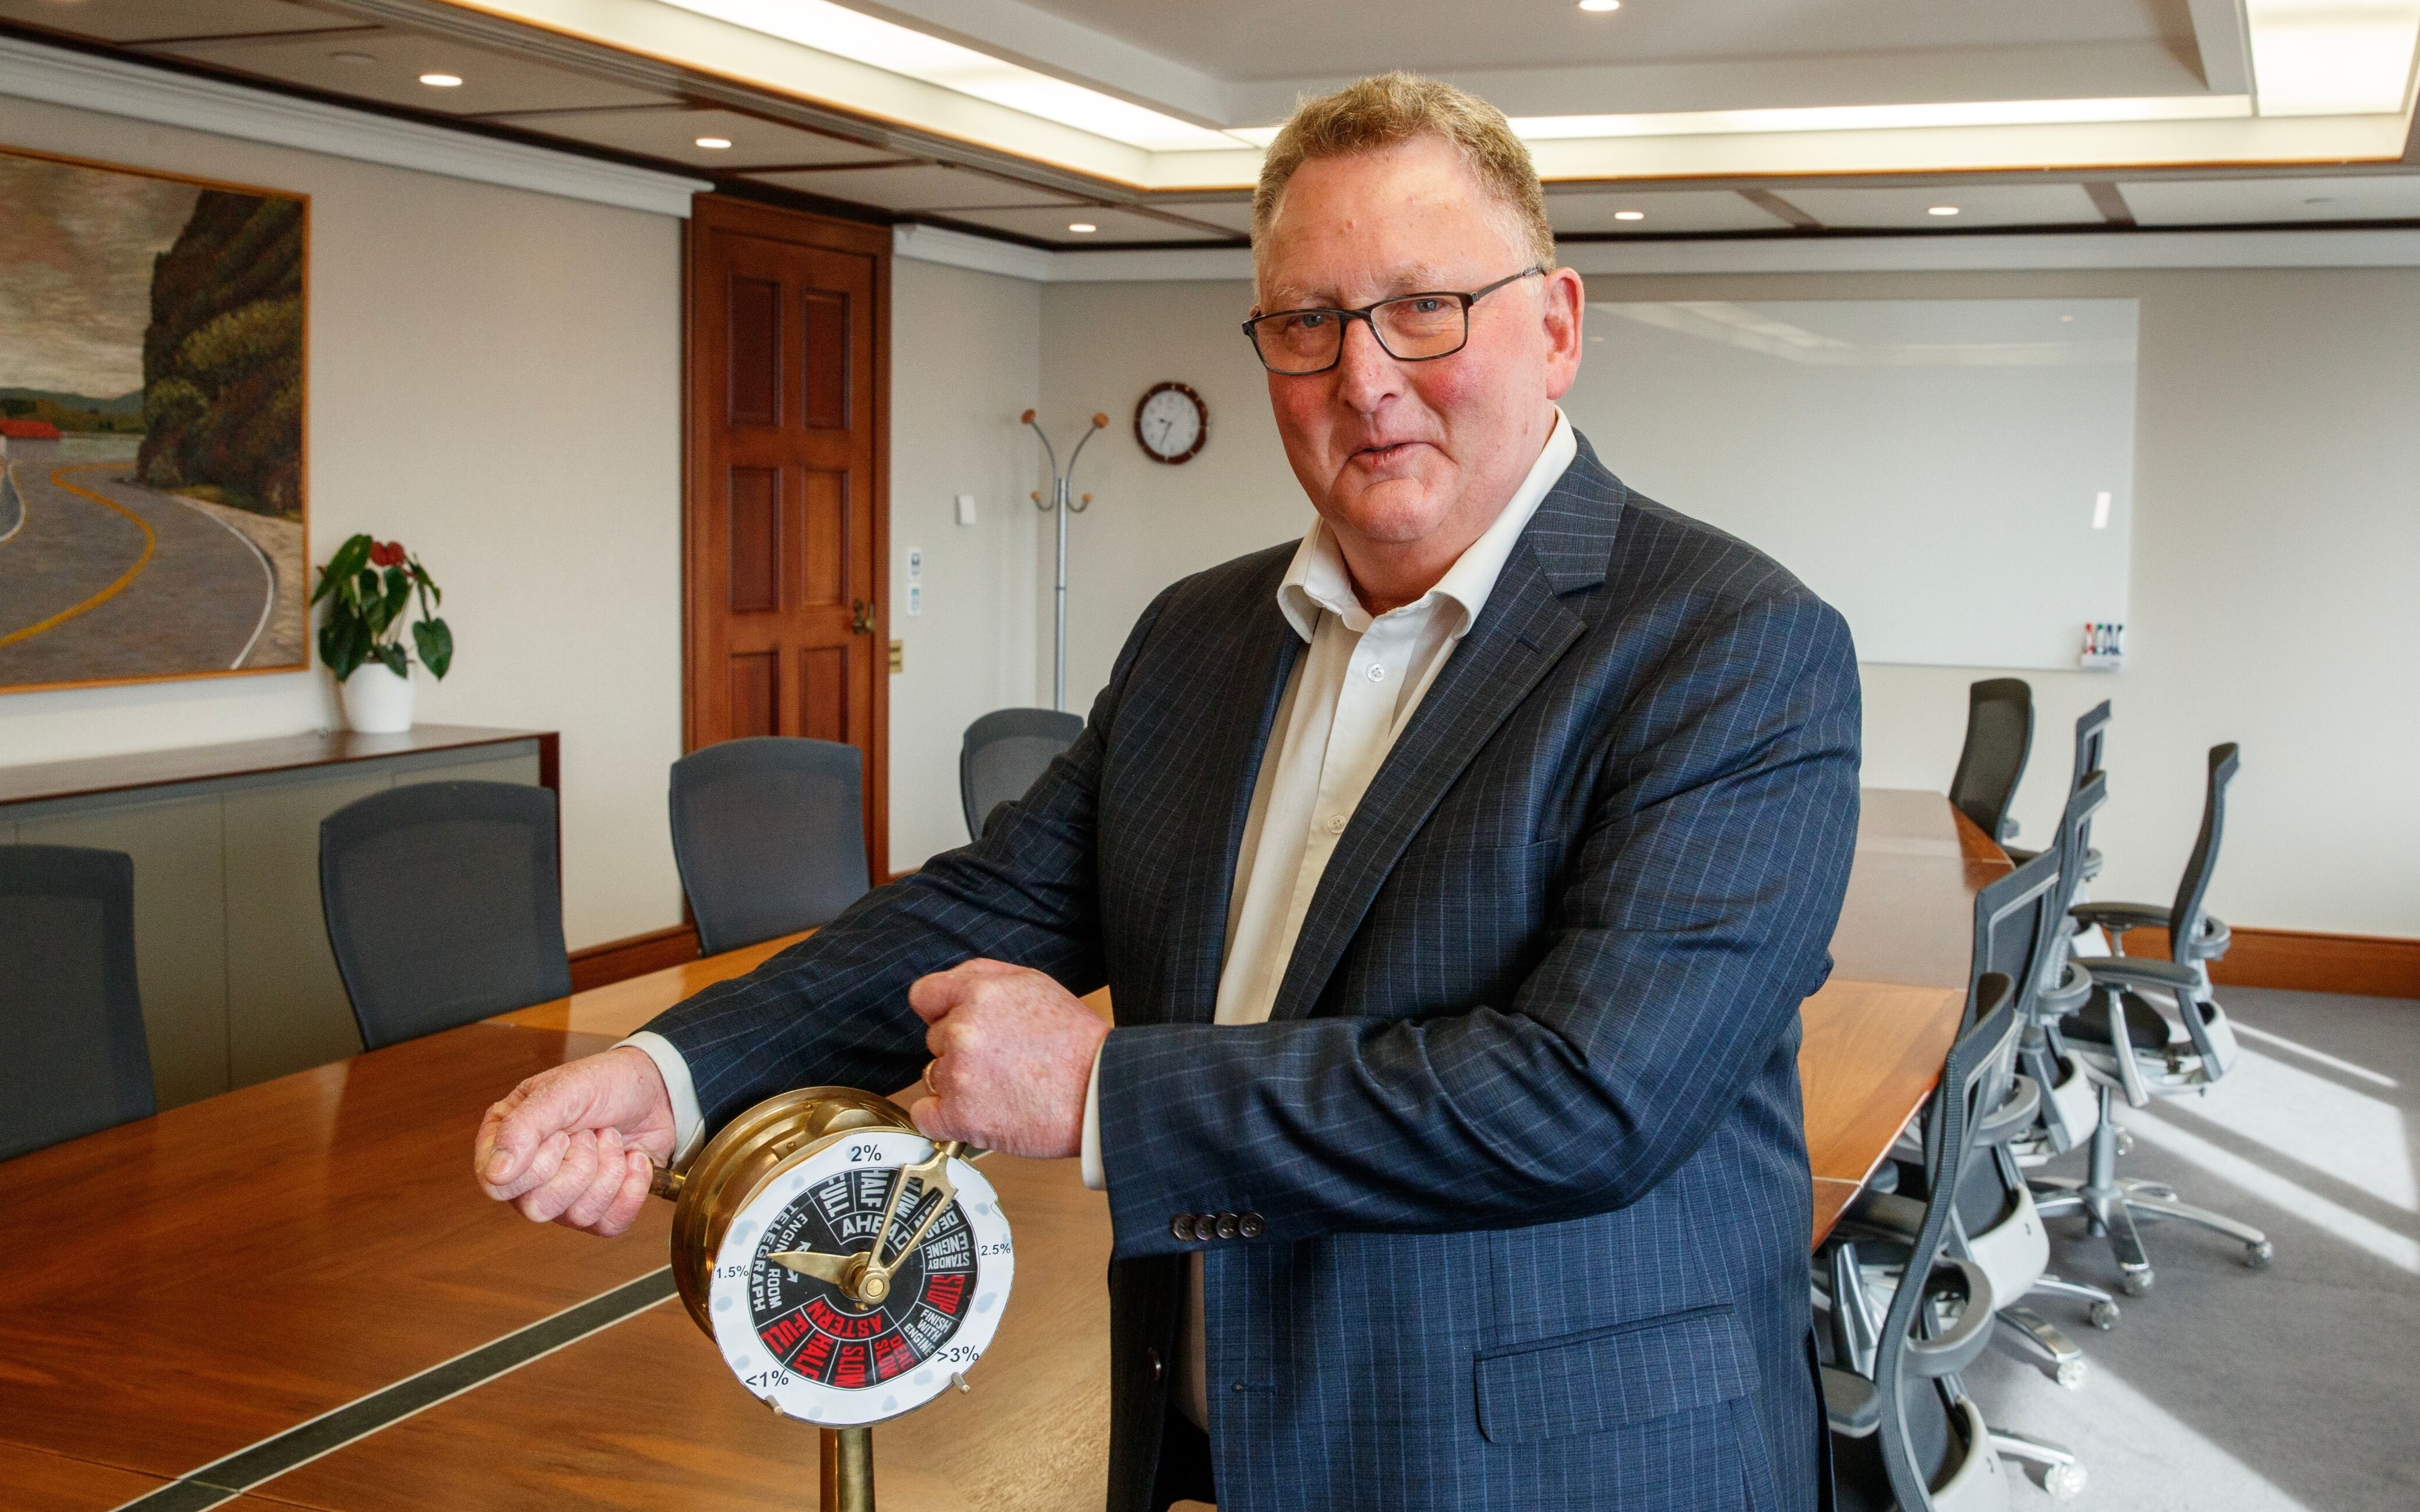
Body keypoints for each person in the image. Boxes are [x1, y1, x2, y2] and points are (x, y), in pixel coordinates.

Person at [475, 72, 1860, 1512]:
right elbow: (992, 905)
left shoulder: (1732, 645)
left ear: (1557, 326)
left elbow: (1585, 1101)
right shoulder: (1201, 635)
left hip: (1556, 1468)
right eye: (1307, 323)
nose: (1364, 377)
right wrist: (669, 1073)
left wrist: (1097, 1090)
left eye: (1425, 307)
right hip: (1212, 1447)